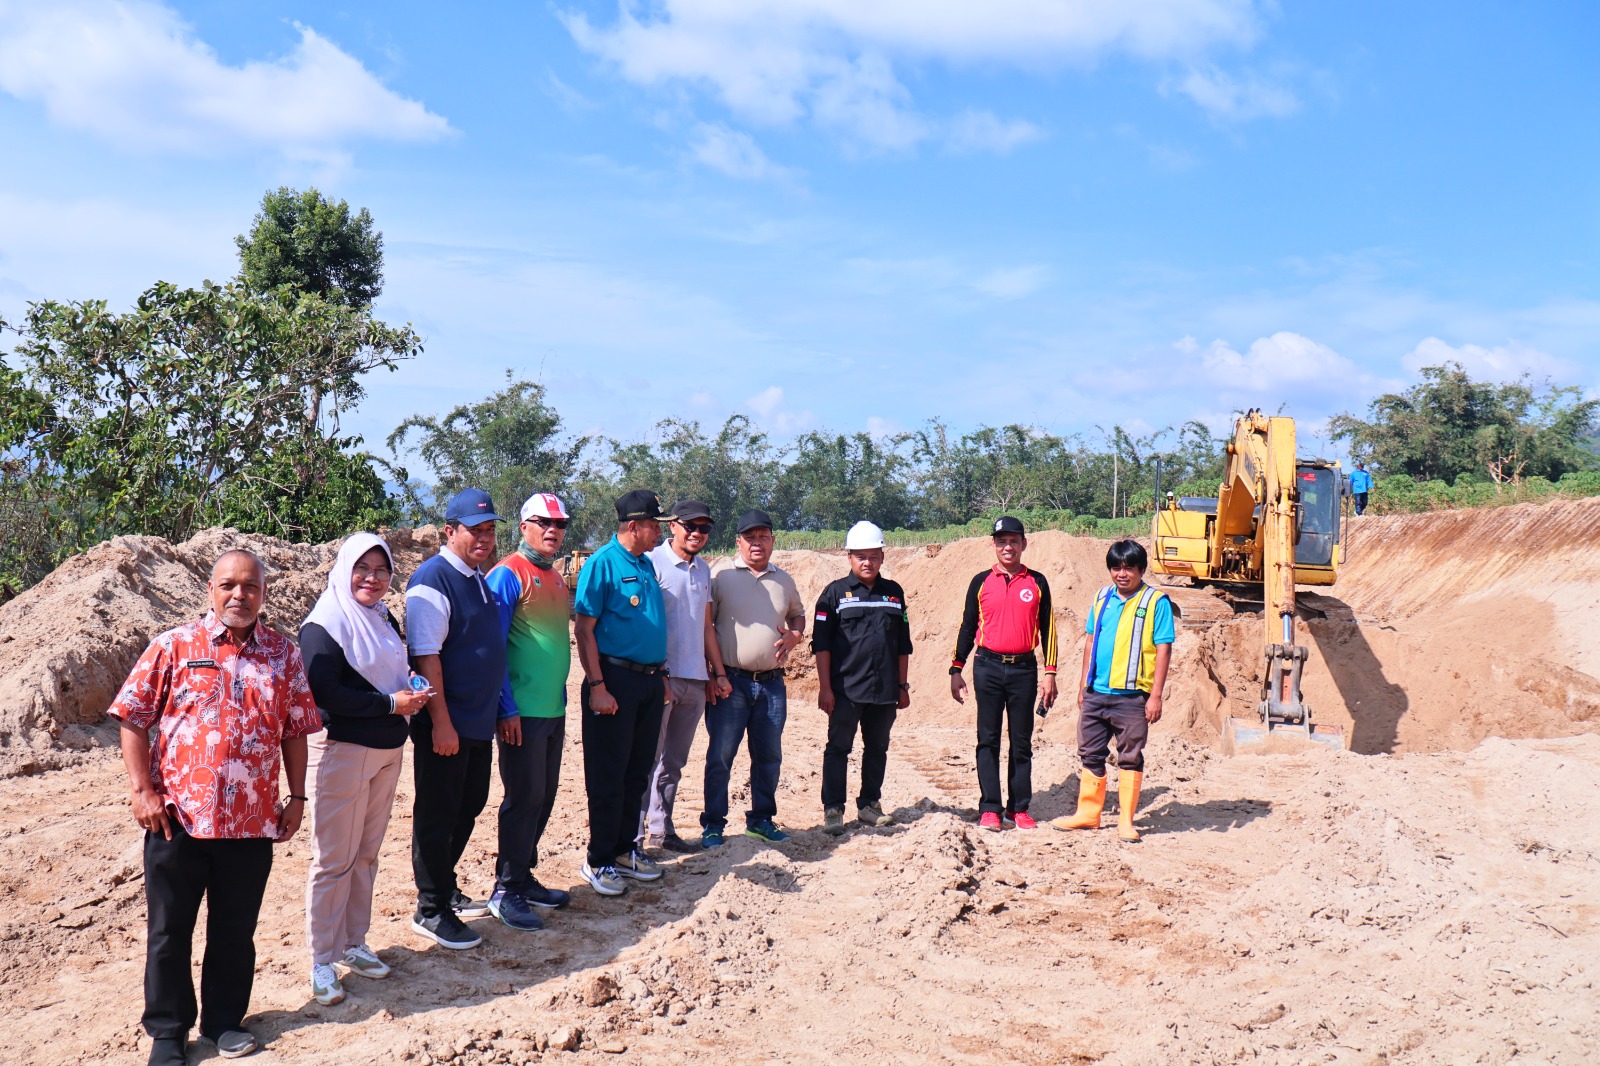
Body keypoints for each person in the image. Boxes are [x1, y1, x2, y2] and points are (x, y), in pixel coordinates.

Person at [109, 549, 320, 1066]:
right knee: (169, 931)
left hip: (252, 822)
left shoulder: (284, 655)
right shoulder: (174, 645)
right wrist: (141, 791)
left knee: (234, 930)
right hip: (177, 820)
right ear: (210, 589)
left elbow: (295, 729)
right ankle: (168, 1031)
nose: (239, 595)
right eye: (228, 585)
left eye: (250, 586)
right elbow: (133, 717)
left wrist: (297, 797)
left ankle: (224, 1022)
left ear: (263, 593)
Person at [300, 533, 432, 1006]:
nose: (372, 579)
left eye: (381, 570)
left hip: (386, 750)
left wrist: (410, 683)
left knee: (366, 854)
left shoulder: (380, 616)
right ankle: (322, 960)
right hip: (344, 751)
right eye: (363, 569)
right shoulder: (325, 624)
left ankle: (354, 943)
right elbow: (324, 693)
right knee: (333, 859)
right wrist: (391, 703)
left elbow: (391, 667)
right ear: (344, 569)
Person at [405, 488, 510, 950]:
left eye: (489, 530)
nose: (484, 538)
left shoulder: (477, 577)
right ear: (450, 531)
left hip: (476, 721)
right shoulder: (434, 579)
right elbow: (426, 657)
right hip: (447, 723)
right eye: (474, 530)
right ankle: (431, 908)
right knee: (437, 812)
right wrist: (441, 722)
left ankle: (444, 886)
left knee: (469, 803)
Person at [482, 493, 576, 931]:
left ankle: (523, 876)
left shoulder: (554, 577)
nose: (553, 530)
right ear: (524, 527)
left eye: (560, 524)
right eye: (544, 522)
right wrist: (506, 708)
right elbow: (494, 648)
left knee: (545, 795)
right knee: (523, 798)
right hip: (521, 712)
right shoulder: (507, 574)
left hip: (552, 709)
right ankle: (506, 890)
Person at [572, 489, 671, 896]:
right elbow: (584, 630)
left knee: (637, 770)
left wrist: (660, 675)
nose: (660, 533)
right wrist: (597, 685)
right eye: (654, 526)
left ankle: (625, 849)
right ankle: (598, 859)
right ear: (634, 526)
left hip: (648, 681)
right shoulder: (602, 563)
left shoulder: (645, 563)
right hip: (613, 680)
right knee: (608, 773)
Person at [1053, 538, 1174, 843]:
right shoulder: (1101, 597)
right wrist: (1083, 685)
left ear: (1141, 569)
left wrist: (1155, 696)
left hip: (1132, 697)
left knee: (1130, 756)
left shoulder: (1155, 602)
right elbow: (1090, 641)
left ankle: (1126, 821)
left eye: (1129, 568)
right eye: (1116, 567)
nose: (1122, 574)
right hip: (1096, 693)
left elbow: (1163, 649)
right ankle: (1088, 814)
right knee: (1090, 752)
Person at [703, 508, 807, 847]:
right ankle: (713, 825)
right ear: (739, 542)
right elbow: (706, 627)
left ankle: (761, 820)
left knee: (769, 756)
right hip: (730, 683)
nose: (757, 542)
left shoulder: (784, 580)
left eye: (763, 536)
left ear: (773, 541)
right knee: (721, 756)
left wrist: (795, 635)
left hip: (772, 684)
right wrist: (713, 674)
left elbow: (798, 616)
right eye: (750, 537)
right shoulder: (721, 579)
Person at [949, 516, 1059, 831]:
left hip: (1024, 669)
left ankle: (1018, 808)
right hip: (988, 666)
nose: (1007, 547)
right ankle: (990, 808)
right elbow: (968, 626)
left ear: (1024, 544)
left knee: (1021, 741)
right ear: (994, 545)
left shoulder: (1037, 582)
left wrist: (1050, 672)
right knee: (988, 739)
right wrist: (956, 667)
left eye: (1013, 541)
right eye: (1001, 541)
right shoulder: (981, 582)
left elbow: (1049, 629)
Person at [640, 499, 730, 854]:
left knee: (674, 763)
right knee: (648, 760)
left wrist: (717, 673)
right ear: (672, 526)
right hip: (661, 677)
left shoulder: (703, 570)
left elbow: (706, 626)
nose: (697, 533)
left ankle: (661, 830)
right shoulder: (651, 563)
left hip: (694, 680)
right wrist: (658, 671)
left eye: (704, 528)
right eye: (690, 526)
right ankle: (633, 840)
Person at [813, 521, 913, 835]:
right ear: (850, 557)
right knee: (838, 749)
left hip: (884, 690)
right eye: (861, 556)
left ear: (882, 556)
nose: (867, 562)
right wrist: (826, 688)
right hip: (845, 690)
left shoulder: (894, 593)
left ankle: (869, 805)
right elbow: (822, 645)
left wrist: (902, 686)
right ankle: (833, 810)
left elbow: (903, 645)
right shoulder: (834, 594)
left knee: (877, 749)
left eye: (873, 556)